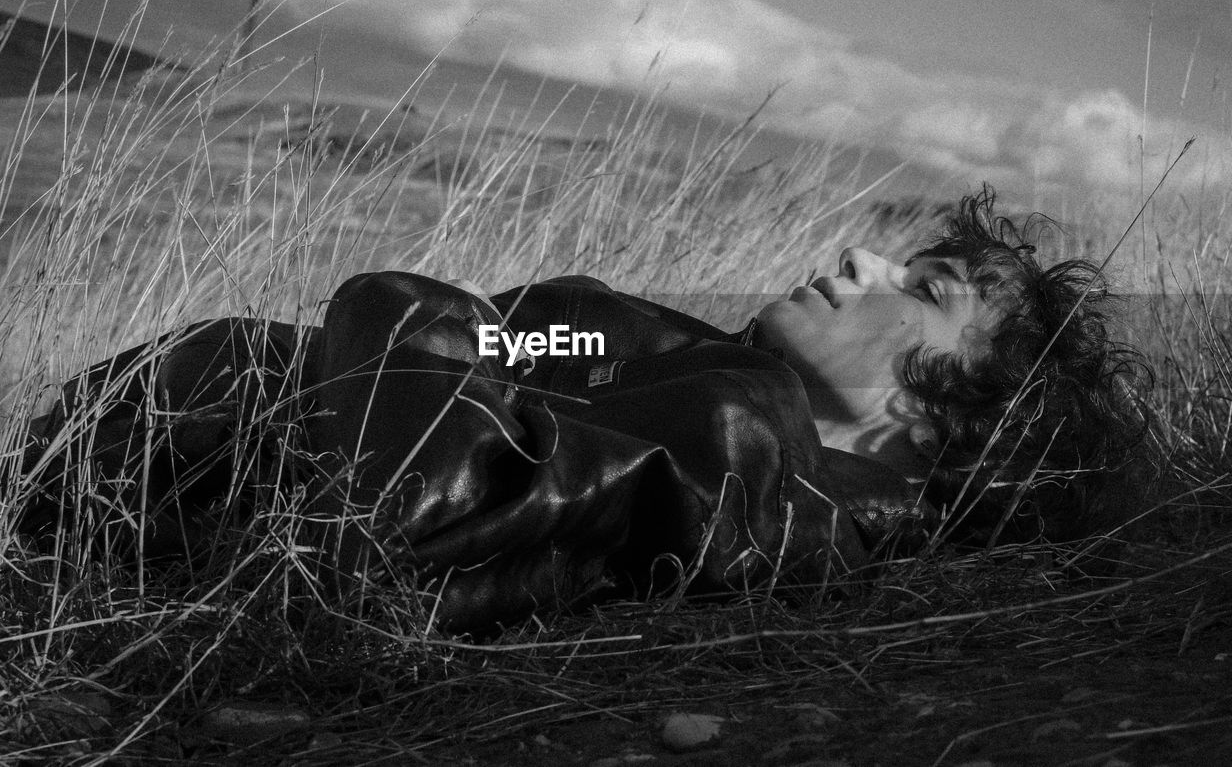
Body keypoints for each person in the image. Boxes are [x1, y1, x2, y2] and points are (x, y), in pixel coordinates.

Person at [17, 190, 1151, 630]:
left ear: (931, 421)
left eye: (923, 290)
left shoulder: (755, 449)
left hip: (125, 484)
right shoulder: (727, 384)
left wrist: (413, 321)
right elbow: (524, 343)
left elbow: (413, 506)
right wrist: (493, 334)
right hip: (112, 460)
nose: (860, 258)